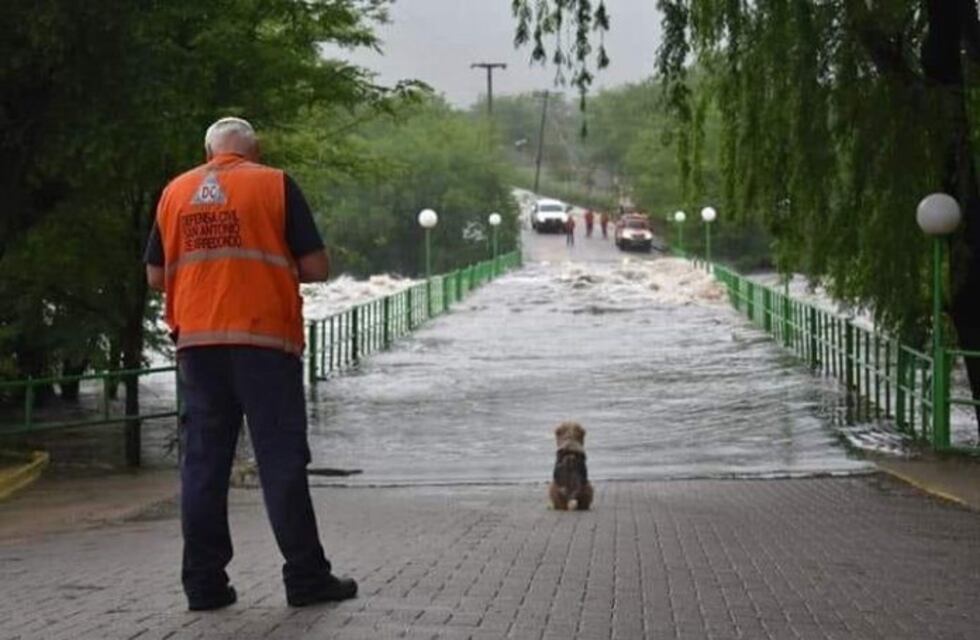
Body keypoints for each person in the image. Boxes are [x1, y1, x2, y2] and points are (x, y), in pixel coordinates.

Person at [144, 117, 357, 611]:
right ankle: (306, 578)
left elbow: (156, 275)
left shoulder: (174, 192)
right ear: (253, 151)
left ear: (208, 154)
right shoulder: (274, 184)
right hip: (264, 343)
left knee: (203, 466)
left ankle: (204, 586)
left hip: (198, 346)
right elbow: (316, 267)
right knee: (281, 461)